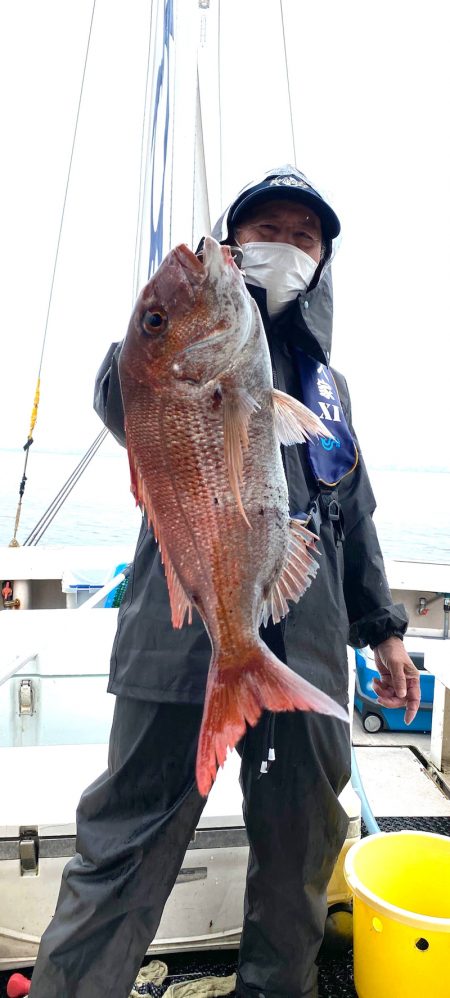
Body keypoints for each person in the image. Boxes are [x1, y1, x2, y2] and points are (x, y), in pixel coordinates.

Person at [29, 166, 421, 998]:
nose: (285, 243)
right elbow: (120, 393)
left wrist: (384, 629)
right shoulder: (176, 349)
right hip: (178, 635)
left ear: (323, 263)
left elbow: (353, 513)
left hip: (305, 650)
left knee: (301, 851)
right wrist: (155, 325)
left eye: (305, 235)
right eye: (266, 226)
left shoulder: (330, 390)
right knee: (127, 841)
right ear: (234, 242)